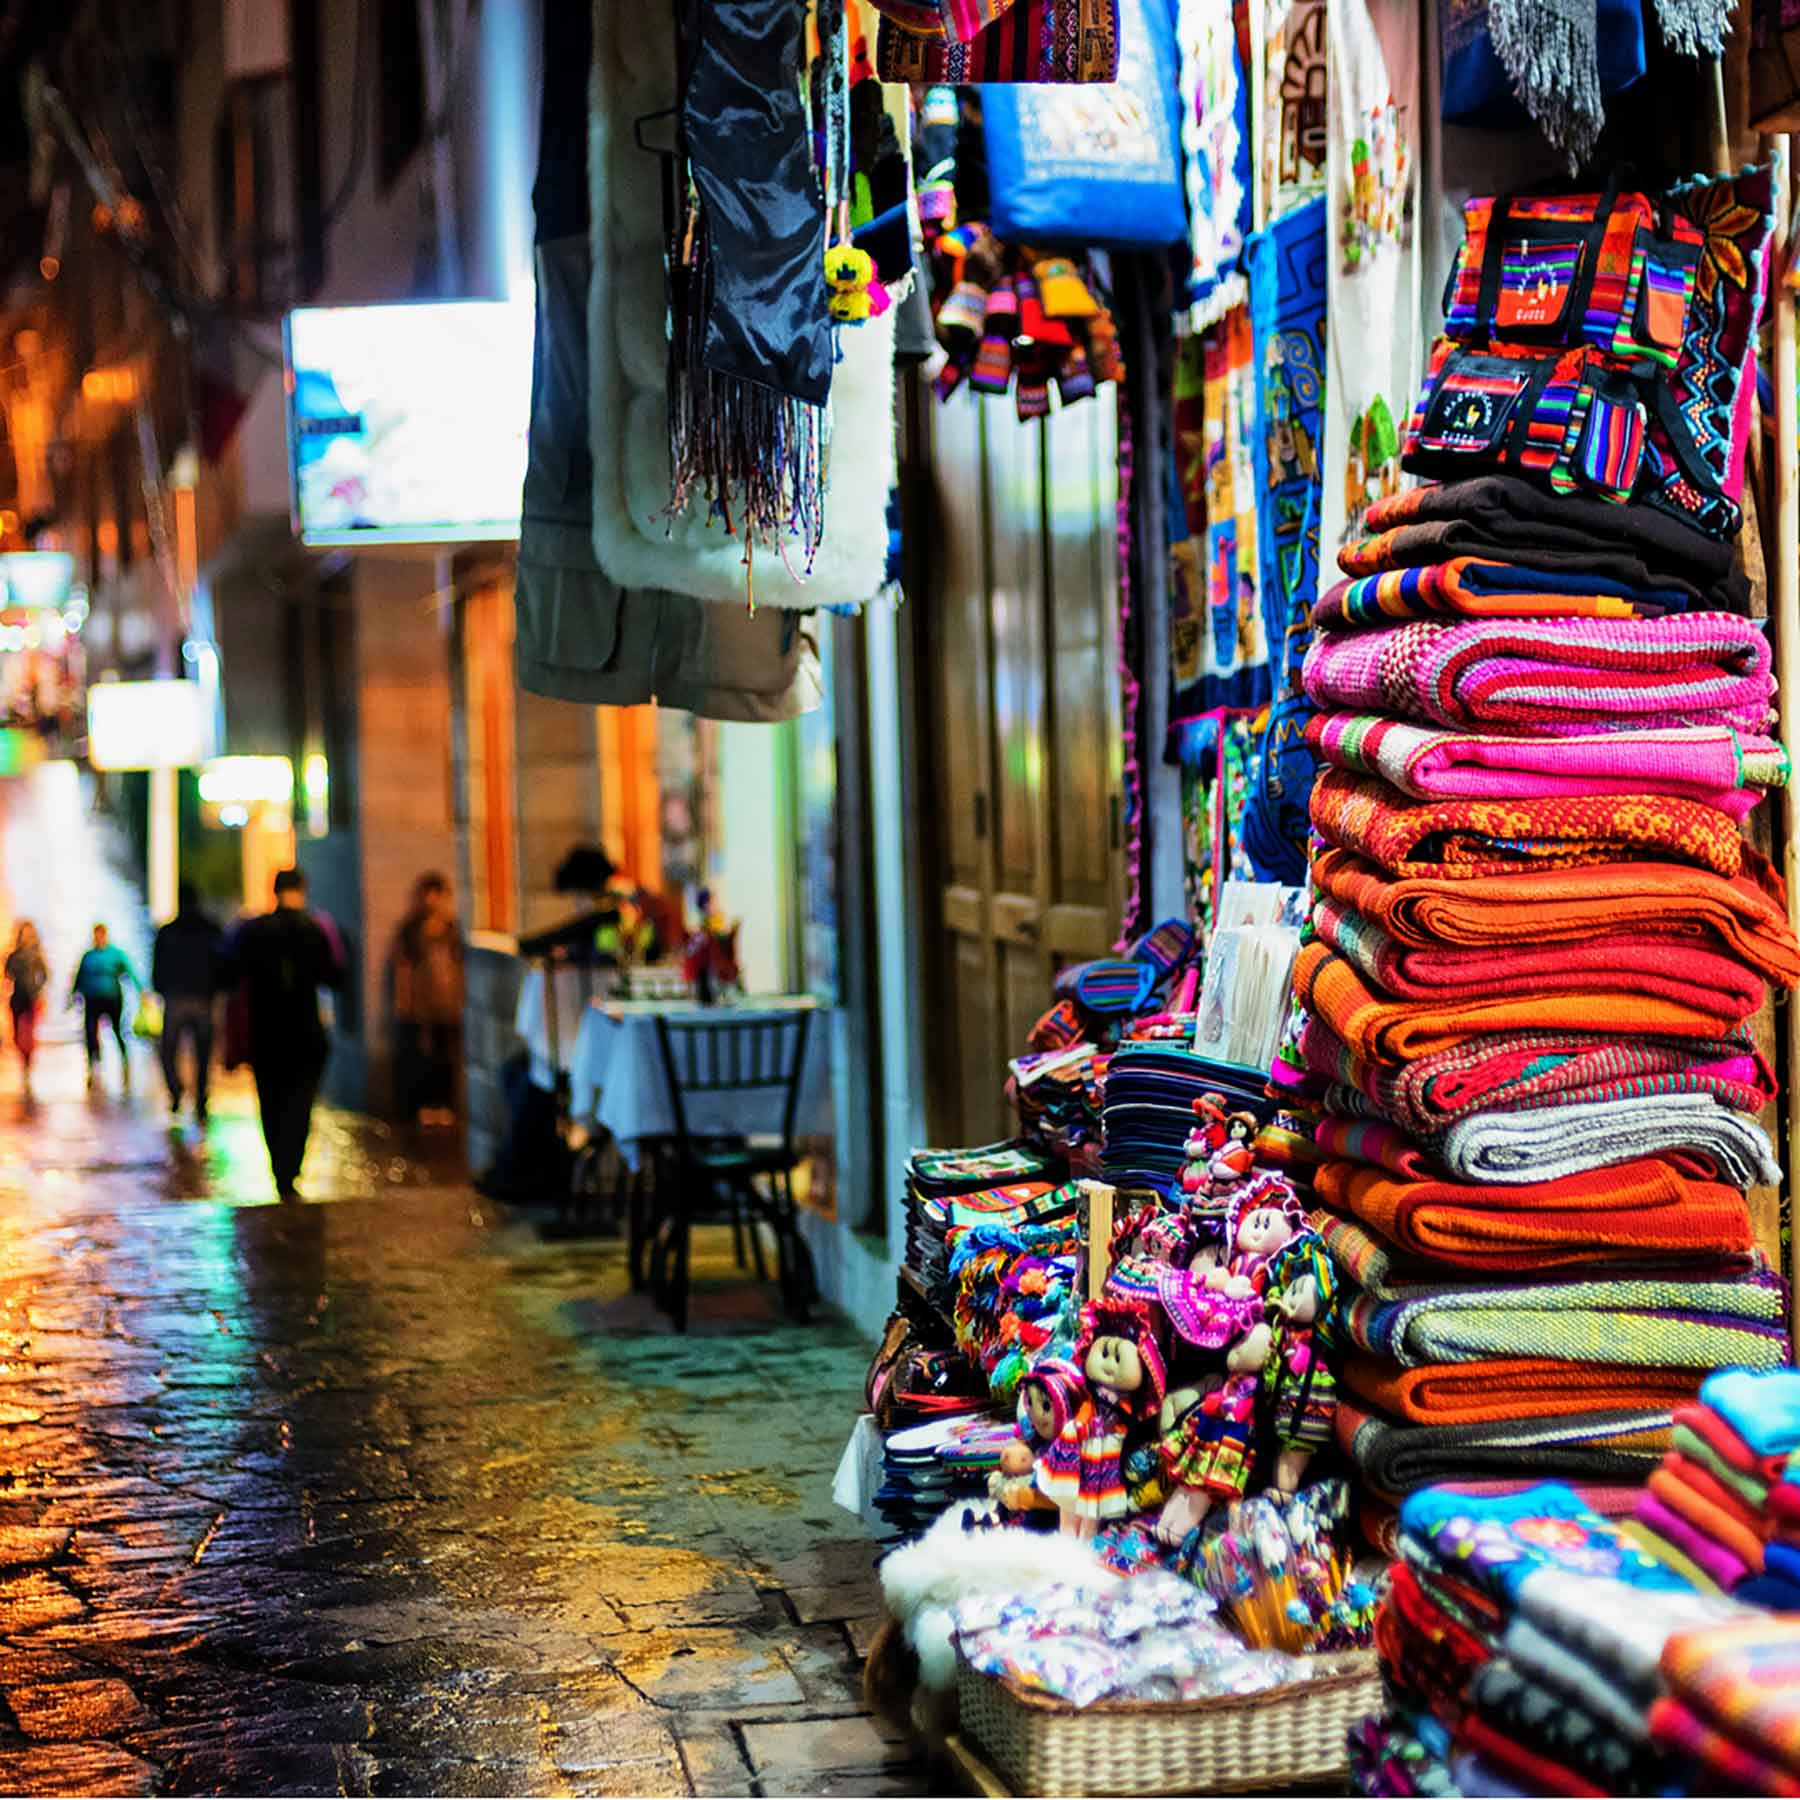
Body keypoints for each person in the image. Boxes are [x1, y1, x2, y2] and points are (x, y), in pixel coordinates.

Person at [226, 869, 342, 1199]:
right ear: (302, 891)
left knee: (271, 1103)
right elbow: (334, 976)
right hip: (305, 1032)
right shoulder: (315, 930)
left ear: (274, 891)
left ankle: (280, 1170)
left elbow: (231, 973)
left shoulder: (254, 931)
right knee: (300, 1104)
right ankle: (292, 1170)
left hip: (266, 1033)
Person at [388, 871, 464, 1126]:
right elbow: (402, 968)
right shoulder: (410, 931)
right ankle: (425, 1106)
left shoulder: (451, 929)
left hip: (448, 1004)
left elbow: (459, 965)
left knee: (446, 1058)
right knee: (424, 1057)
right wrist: (403, 1002)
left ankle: (445, 1105)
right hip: (422, 1006)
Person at [152, 882, 224, 1124]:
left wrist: (162, 989)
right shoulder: (211, 930)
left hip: (176, 1000)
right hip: (202, 1000)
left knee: (167, 1052)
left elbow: (157, 969)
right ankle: (200, 1099)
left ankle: (177, 1092)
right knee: (203, 1054)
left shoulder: (167, 932)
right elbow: (223, 964)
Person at [69, 923, 138, 1092]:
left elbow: (130, 973)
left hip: (112, 999)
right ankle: (94, 1064)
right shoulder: (88, 956)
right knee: (91, 1033)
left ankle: (125, 1060)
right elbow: (79, 977)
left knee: (117, 1030)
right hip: (92, 1000)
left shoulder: (116, 955)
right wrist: (73, 995)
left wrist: (142, 991)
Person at [5, 921, 48, 1099]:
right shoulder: (14, 956)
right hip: (17, 998)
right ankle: (24, 1058)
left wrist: (39, 991)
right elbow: (7, 975)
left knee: (29, 1033)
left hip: (32, 998)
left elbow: (45, 975)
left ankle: (27, 1065)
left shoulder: (37, 956)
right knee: (16, 1035)